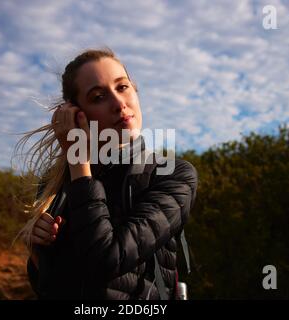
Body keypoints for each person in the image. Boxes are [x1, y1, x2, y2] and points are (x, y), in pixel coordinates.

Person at [16, 47, 198, 300]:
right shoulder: (56, 183)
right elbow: (50, 288)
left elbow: (107, 261)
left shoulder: (172, 174)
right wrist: (39, 252)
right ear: (77, 114)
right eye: (99, 97)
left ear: (135, 90)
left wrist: (77, 161)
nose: (119, 103)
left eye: (122, 87)